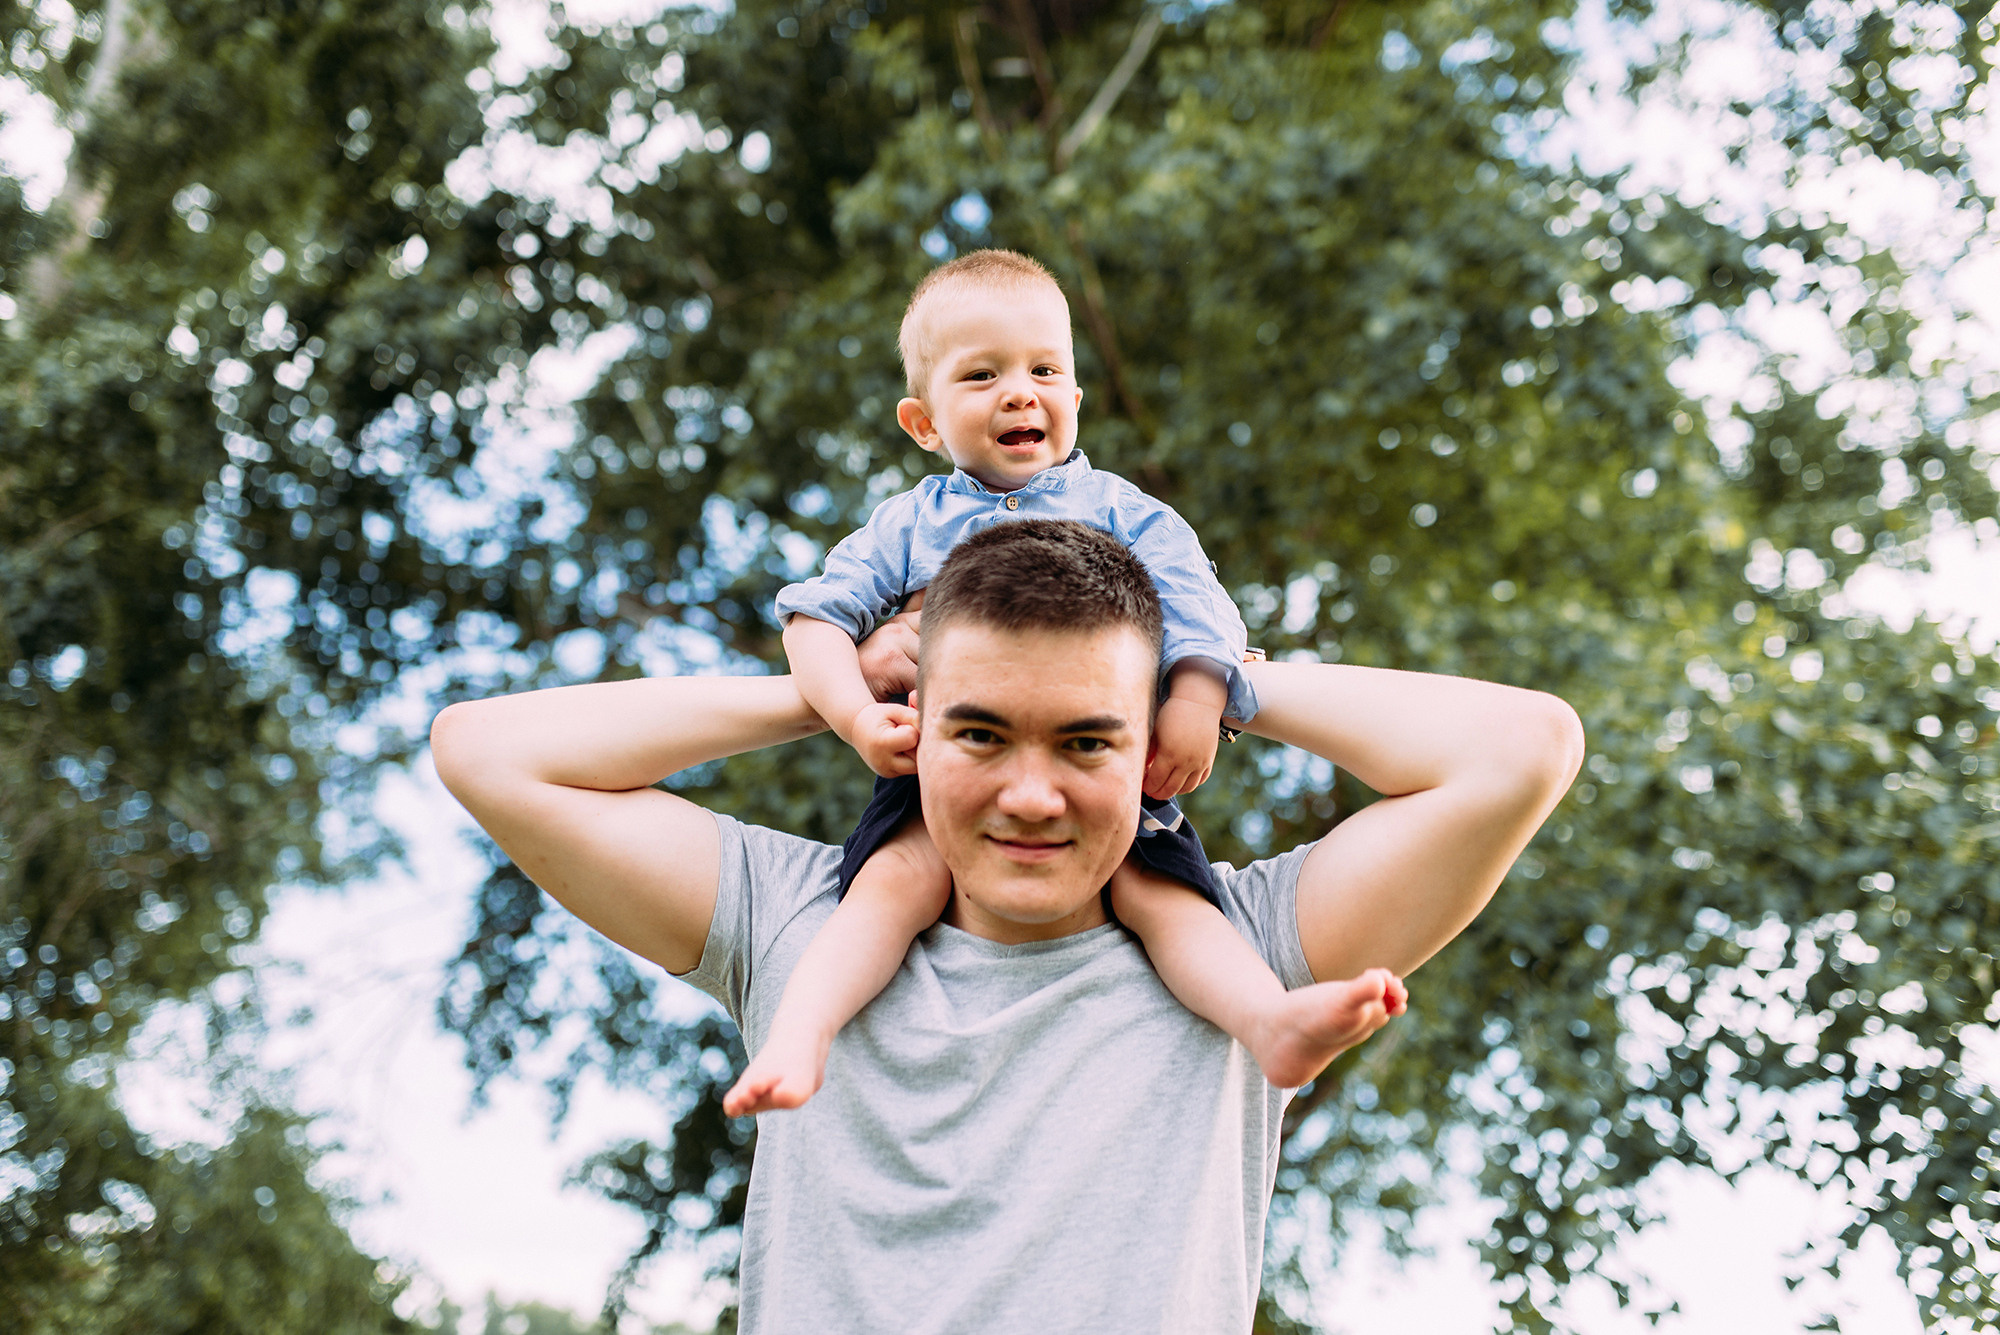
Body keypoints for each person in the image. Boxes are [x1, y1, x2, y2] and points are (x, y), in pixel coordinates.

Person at [430, 518, 1583, 1333]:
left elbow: (1521, 749)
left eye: (1087, 740)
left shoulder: (1246, 952)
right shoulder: (798, 926)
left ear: (1147, 752)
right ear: (914, 732)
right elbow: (486, 751)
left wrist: (1217, 679)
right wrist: (826, 695)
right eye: (979, 733)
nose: (1031, 795)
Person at [731, 248, 1328, 1118]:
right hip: (953, 780)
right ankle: (799, 1032)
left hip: (1106, 775)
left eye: (1045, 369)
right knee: (890, 887)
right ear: (923, 422)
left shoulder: (1124, 511)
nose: (1021, 391)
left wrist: (1199, 698)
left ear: (1076, 398)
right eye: (982, 375)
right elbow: (814, 618)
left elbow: (1201, 606)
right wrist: (859, 715)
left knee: (1167, 900)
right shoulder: (907, 524)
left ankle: (1270, 1023)